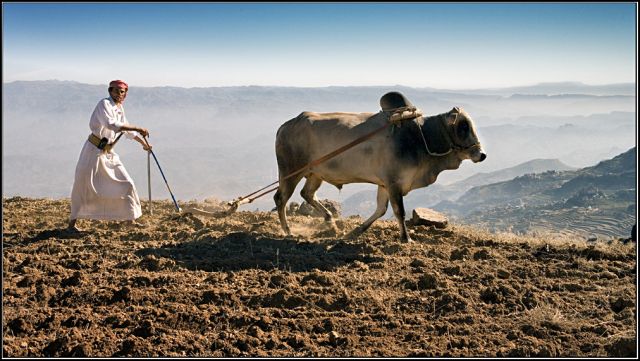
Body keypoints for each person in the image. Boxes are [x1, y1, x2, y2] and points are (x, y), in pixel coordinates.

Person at [68, 79, 152, 231]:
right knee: (82, 186)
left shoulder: (120, 109)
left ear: (125, 94)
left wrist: (143, 144)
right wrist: (139, 128)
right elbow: (112, 125)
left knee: (128, 183)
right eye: (115, 91)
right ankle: (72, 224)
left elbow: (128, 131)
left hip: (108, 152)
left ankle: (129, 220)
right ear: (110, 91)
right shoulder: (104, 104)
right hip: (92, 151)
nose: (118, 94)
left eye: (122, 92)